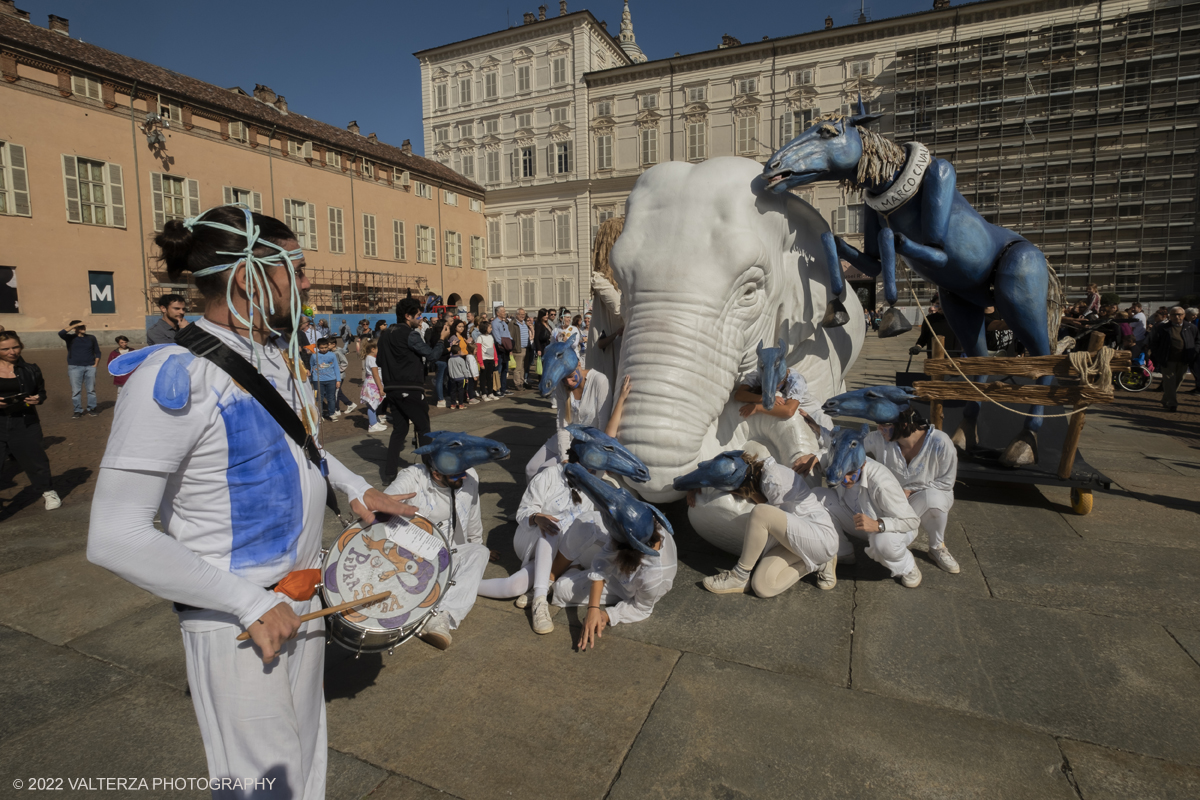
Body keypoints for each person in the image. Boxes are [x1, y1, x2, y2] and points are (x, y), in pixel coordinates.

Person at [87, 205, 415, 799]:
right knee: (263, 788)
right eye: (296, 266)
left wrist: (355, 488)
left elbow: (304, 447)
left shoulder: (272, 355)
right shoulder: (176, 373)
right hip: (235, 620)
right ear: (247, 275)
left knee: (306, 768)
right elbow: (115, 533)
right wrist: (247, 605)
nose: (308, 281)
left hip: (299, 600)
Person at [384, 432, 508, 650]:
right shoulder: (413, 476)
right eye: (455, 477)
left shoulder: (469, 478)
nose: (462, 479)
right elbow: (385, 504)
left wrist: (479, 546)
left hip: (445, 554)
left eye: (464, 474)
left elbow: (473, 516)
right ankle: (419, 607)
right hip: (410, 558)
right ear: (435, 473)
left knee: (479, 552)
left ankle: (440, 616)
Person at [692, 452, 839, 597]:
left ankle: (740, 575)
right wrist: (694, 484)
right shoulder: (747, 467)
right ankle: (821, 562)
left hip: (819, 537)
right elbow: (720, 465)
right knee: (763, 587)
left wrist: (750, 493)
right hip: (796, 539)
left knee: (760, 512)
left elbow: (770, 517)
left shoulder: (773, 480)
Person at [818, 430, 924, 589]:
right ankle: (843, 551)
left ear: (864, 464)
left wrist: (879, 525)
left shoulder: (881, 483)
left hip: (893, 528)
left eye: (851, 474)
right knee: (816, 497)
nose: (846, 480)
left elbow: (912, 521)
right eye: (842, 475)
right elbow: (825, 452)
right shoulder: (838, 462)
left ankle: (908, 568)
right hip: (860, 520)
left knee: (882, 543)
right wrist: (811, 457)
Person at [864, 408, 960, 574]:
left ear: (904, 425)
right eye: (878, 424)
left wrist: (911, 490)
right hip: (891, 502)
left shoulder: (940, 442)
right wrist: (819, 442)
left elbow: (946, 482)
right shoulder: (880, 438)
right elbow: (852, 444)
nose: (879, 428)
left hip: (922, 497)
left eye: (884, 425)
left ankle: (937, 546)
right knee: (883, 541)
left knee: (935, 500)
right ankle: (901, 553)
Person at [377, 297, 452, 484]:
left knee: (400, 430)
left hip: (392, 388)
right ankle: (430, 470)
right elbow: (432, 355)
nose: (421, 318)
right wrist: (441, 339)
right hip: (409, 387)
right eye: (418, 315)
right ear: (407, 316)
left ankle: (389, 474)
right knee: (423, 428)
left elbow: (379, 361)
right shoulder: (410, 334)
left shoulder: (385, 334)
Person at [526, 335, 613, 480]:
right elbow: (562, 424)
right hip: (567, 439)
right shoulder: (562, 385)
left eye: (571, 376)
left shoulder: (599, 381)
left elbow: (603, 425)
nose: (569, 382)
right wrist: (564, 458)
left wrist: (597, 458)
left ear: (579, 364)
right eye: (564, 379)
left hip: (587, 444)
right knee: (531, 469)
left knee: (544, 472)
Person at [0, 331, 60, 510]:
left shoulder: (31, 369)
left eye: (15, 347)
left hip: (25, 421)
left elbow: (41, 392)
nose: (12, 352)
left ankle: (48, 491)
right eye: (6, 349)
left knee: (35, 459)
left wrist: (38, 399)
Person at [1149, 306, 1196, 412]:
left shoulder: (1190, 327)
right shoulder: (1163, 328)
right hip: (1168, 359)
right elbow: (1154, 342)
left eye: (1179, 314)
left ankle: (1165, 399)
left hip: (1184, 359)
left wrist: (1194, 352)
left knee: (1178, 381)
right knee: (1169, 381)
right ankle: (1172, 403)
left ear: (1184, 316)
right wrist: (1158, 355)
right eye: (1174, 314)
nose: (1177, 317)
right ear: (1170, 316)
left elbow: (1197, 341)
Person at [58, 320, 100, 418]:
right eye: (80, 327)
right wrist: (75, 325)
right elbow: (61, 333)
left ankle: (92, 408)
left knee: (91, 390)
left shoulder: (91, 338)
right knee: (76, 391)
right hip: (74, 367)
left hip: (90, 367)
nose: (83, 328)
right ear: (75, 328)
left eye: (84, 326)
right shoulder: (70, 338)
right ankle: (77, 410)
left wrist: (96, 364)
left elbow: (97, 351)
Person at [310, 338, 341, 420]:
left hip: (331, 379)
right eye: (321, 348)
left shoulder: (332, 355)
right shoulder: (314, 356)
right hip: (318, 380)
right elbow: (311, 367)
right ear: (318, 347)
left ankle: (332, 413)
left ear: (328, 346)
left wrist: (338, 380)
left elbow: (336, 368)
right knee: (318, 398)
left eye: (325, 347)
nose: (324, 349)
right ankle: (319, 414)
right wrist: (310, 379)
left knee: (331, 397)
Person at [360, 340, 387, 432]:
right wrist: (380, 388)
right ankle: (372, 424)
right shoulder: (371, 359)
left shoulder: (369, 358)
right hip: (373, 384)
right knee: (372, 405)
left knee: (374, 404)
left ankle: (374, 421)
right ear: (373, 349)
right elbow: (375, 374)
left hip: (372, 383)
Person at [446, 320, 473, 409]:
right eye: (459, 326)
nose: (461, 328)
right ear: (455, 327)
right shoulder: (454, 337)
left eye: (462, 326)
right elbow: (455, 349)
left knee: (460, 387)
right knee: (458, 388)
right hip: (458, 359)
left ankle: (461, 400)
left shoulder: (462, 336)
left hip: (463, 358)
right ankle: (459, 402)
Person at [475, 320, 499, 401]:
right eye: (490, 327)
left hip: (491, 359)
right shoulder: (480, 338)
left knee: (490, 377)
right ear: (485, 328)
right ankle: (483, 393)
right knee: (483, 378)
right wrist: (480, 362)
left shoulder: (491, 337)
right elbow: (478, 351)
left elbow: (493, 349)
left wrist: (496, 359)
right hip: (484, 360)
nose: (491, 329)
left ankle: (490, 393)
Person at [492, 306, 512, 397]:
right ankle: (497, 389)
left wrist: (511, 344)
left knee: (505, 369)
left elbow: (508, 334)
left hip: (506, 348)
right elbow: (497, 338)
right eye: (503, 311)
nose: (504, 312)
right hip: (499, 348)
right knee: (498, 369)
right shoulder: (494, 323)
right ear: (497, 313)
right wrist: (505, 344)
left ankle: (503, 388)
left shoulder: (504, 323)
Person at [511, 308, 531, 391]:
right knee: (517, 368)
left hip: (525, 348)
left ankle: (521, 382)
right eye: (520, 314)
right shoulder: (513, 324)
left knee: (523, 367)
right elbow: (511, 336)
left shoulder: (524, 324)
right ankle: (517, 383)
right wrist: (511, 349)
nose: (522, 316)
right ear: (516, 315)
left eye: (524, 314)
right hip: (517, 348)